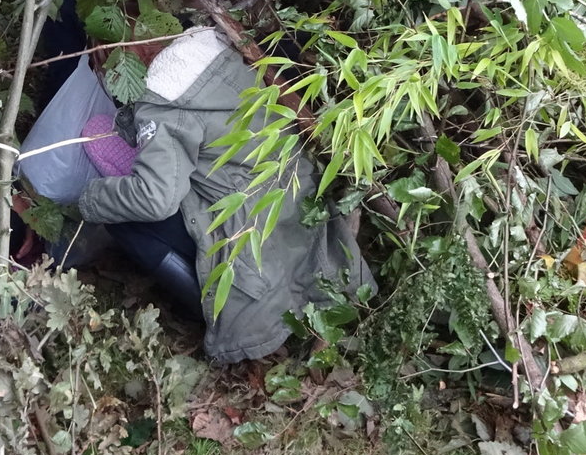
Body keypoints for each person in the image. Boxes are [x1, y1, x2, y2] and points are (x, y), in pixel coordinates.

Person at [76, 26, 373, 364]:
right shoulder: (226, 44)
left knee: (126, 219)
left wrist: (87, 200)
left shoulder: (163, 98)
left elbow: (155, 197)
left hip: (251, 250)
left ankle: (210, 314)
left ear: (125, 55)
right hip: (300, 206)